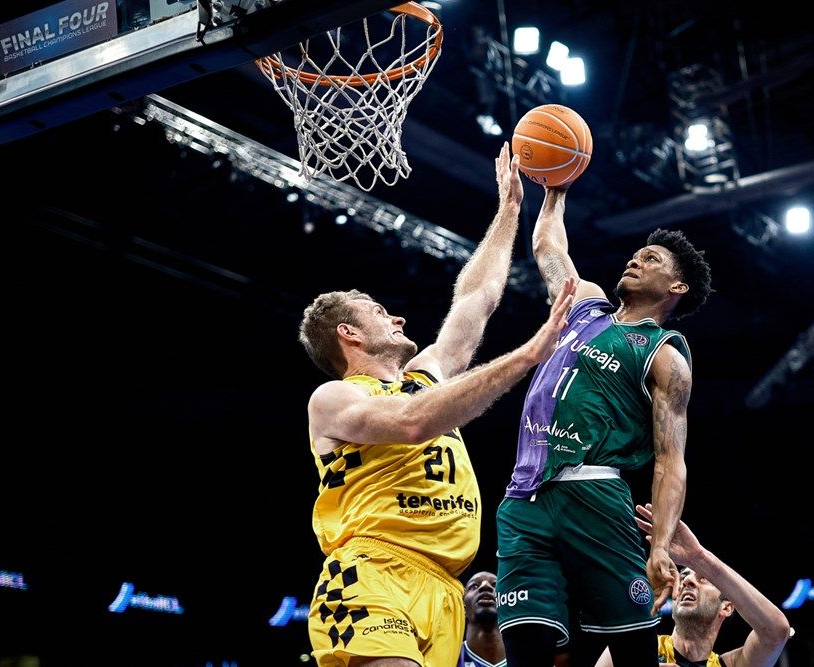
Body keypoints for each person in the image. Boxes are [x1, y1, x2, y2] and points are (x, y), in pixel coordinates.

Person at [299, 143, 577, 667]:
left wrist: (509, 211)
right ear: (348, 335)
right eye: (379, 312)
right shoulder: (335, 398)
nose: (398, 318)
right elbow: (412, 423)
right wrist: (527, 355)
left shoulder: (424, 377)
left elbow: (477, 297)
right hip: (372, 572)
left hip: (447, 588)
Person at [495, 185, 714, 667]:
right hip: (523, 497)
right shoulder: (584, 306)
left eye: (652, 259)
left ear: (677, 287)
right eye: (636, 255)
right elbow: (548, 249)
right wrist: (556, 191)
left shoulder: (664, 354)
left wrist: (660, 545)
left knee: (633, 648)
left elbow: (671, 459)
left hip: (596, 496)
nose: (635, 261)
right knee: (524, 645)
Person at [595, 506, 791, 667]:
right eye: (684, 576)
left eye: (703, 578)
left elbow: (776, 631)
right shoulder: (636, 650)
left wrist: (699, 558)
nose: (688, 581)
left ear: (727, 607)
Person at [459, 571, 507, 667]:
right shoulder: (446, 657)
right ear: (463, 607)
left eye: (495, 585)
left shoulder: (530, 657)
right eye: (474, 586)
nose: (485, 586)